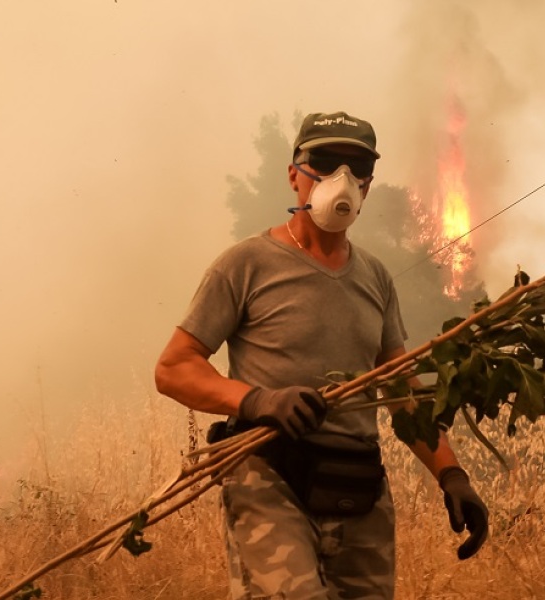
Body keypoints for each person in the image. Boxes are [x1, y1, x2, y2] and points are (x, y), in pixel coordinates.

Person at [154, 111, 489, 600]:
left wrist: (452, 475)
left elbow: (401, 391)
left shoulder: (375, 279)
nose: (342, 180)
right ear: (294, 173)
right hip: (269, 472)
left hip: (358, 482)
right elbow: (174, 367)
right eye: (326, 163)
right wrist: (257, 401)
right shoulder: (245, 264)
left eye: (357, 168)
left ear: (370, 184)